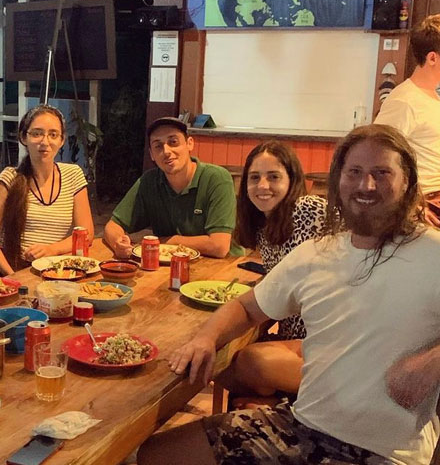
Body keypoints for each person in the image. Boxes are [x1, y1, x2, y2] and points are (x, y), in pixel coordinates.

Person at [138, 124, 440, 465]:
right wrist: (205, 338)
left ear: (408, 182)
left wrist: (431, 363)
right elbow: (247, 307)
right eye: (354, 172)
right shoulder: (317, 253)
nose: (365, 185)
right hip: (302, 427)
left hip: (384, 454)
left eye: (381, 173)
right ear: (339, 181)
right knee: (157, 454)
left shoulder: (432, 253)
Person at [224, 141, 326, 402]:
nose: (262, 186)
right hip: (290, 336)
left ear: (292, 180)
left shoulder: (307, 208)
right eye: (254, 177)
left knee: (235, 363)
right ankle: (269, 395)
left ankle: (276, 396)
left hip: (322, 340)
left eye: (273, 177)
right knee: (224, 362)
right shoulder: (264, 229)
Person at [0, 105, 94, 275]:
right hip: (16, 269)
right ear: (24, 137)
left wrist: (52, 250)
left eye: (53, 135)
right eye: (36, 133)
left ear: (62, 140)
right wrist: (13, 276)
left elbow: (86, 234)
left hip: (58, 271)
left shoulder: (73, 175)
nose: (45, 142)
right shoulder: (10, 178)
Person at [104, 117, 239, 259]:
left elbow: (219, 246)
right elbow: (112, 227)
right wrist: (119, 244)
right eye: (158, 146)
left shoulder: (216, 178)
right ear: (152, 155)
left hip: (223, 268)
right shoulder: (149, 181)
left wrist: (166, 241)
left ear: (189, 144)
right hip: (169, 269)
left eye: (173, 142)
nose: (166, 151)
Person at [375, 14, 440, 226]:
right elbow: (376, 157)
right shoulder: (404, 101)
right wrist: (413, 205)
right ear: (432, 58)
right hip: (426, 206)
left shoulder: (433, 97)